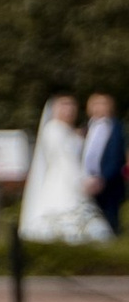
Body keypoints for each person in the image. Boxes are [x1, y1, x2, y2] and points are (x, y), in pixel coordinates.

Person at [20, 92, 108, 245]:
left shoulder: (69, 130)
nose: (69, 110)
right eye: (64, 105)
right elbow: (66, 161)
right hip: (63, 181)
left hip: (73, 178)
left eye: (72, 106)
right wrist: (82, 181)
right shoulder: (53, 130)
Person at [85, 90, 125, 238]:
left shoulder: (116, 127)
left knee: (109, 214)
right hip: (88, 177)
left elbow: (116, 156)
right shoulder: (89, 126)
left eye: (103, 104)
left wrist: (103, 178)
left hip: (108, 179)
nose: (99, 107)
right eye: (96, 104)